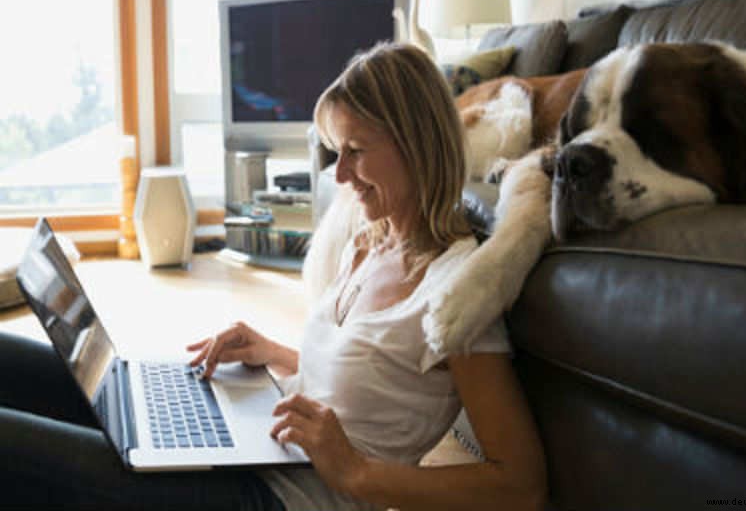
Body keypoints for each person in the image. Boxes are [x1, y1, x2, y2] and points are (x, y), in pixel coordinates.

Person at [0, 42, 547, 510]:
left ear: (417, 146)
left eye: (356, 151)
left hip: (275, 500)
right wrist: (276, 354)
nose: (340, 175)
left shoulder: (460, 294)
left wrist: (355, 472)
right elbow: (370, 376)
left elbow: (521, 488)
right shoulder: (372, 242)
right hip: (256, 453)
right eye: (337, 152)